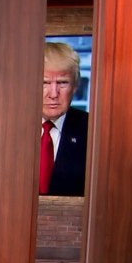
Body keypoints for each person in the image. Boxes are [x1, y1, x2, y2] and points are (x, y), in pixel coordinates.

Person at [41, 41, 88, 196]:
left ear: (75, 86)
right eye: (45, 82)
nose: (53, 94)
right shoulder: (13, 128)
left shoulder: (91, 130)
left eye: (62, 83)